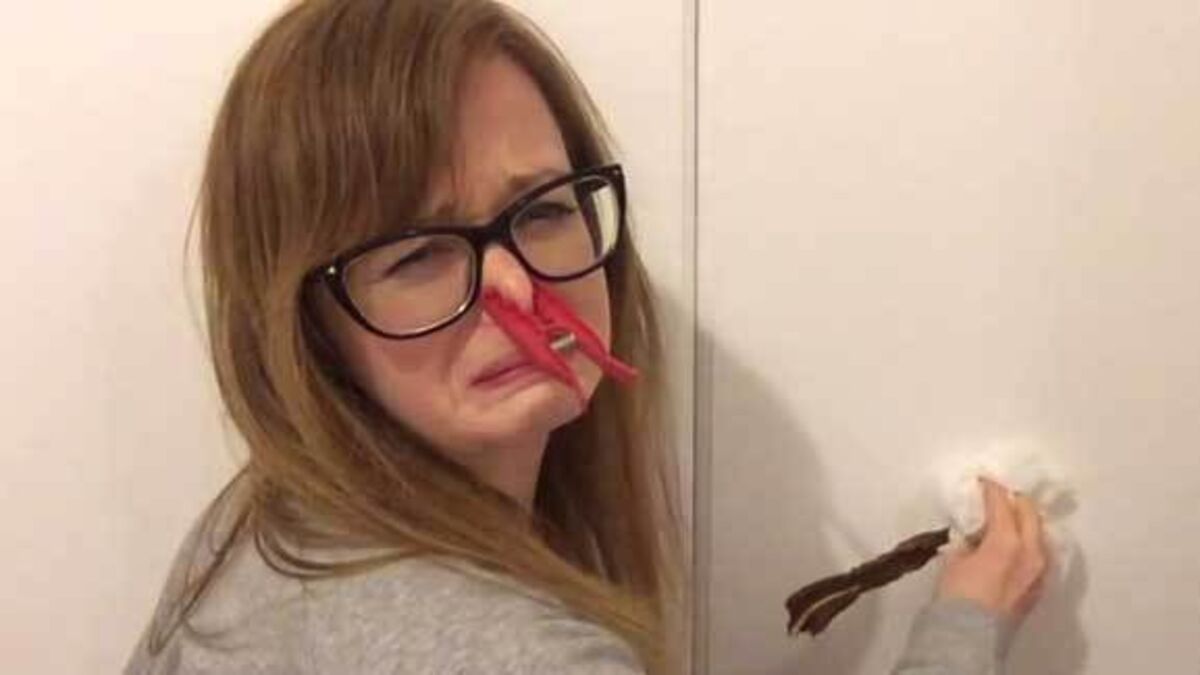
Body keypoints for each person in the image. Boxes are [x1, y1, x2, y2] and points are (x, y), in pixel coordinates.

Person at [125, 1, 1048, 673]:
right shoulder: (515, 655)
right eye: (416, 254)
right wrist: (964, 631)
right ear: (306, 329)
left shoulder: (268, 525)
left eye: (543, 209)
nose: (517, 289)